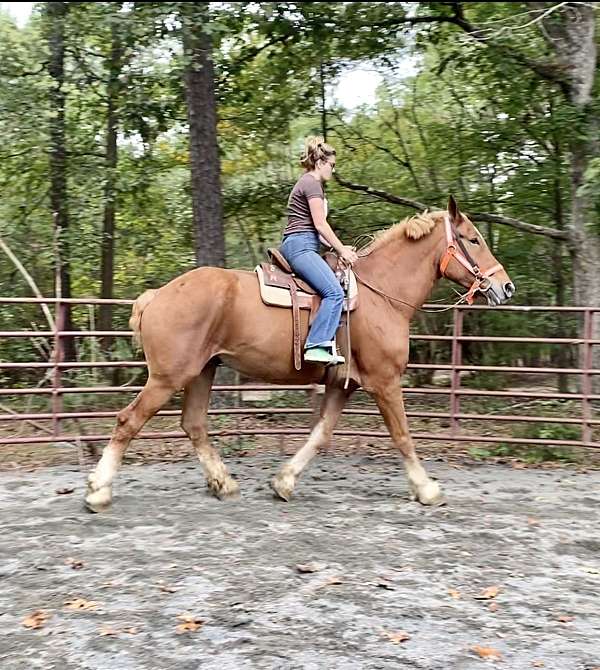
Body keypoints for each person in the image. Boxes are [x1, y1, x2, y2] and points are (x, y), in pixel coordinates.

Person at [280, 136, 358, 365]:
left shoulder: (310, 184)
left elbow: (321, 233)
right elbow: (320, 225)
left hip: (305, 243)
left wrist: (341, 248)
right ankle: (316, 345)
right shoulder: (311, 183)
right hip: (300, 246)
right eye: (332, 165)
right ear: (320, 162)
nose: (333, 170)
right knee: (334, 293)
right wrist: (342, 250)